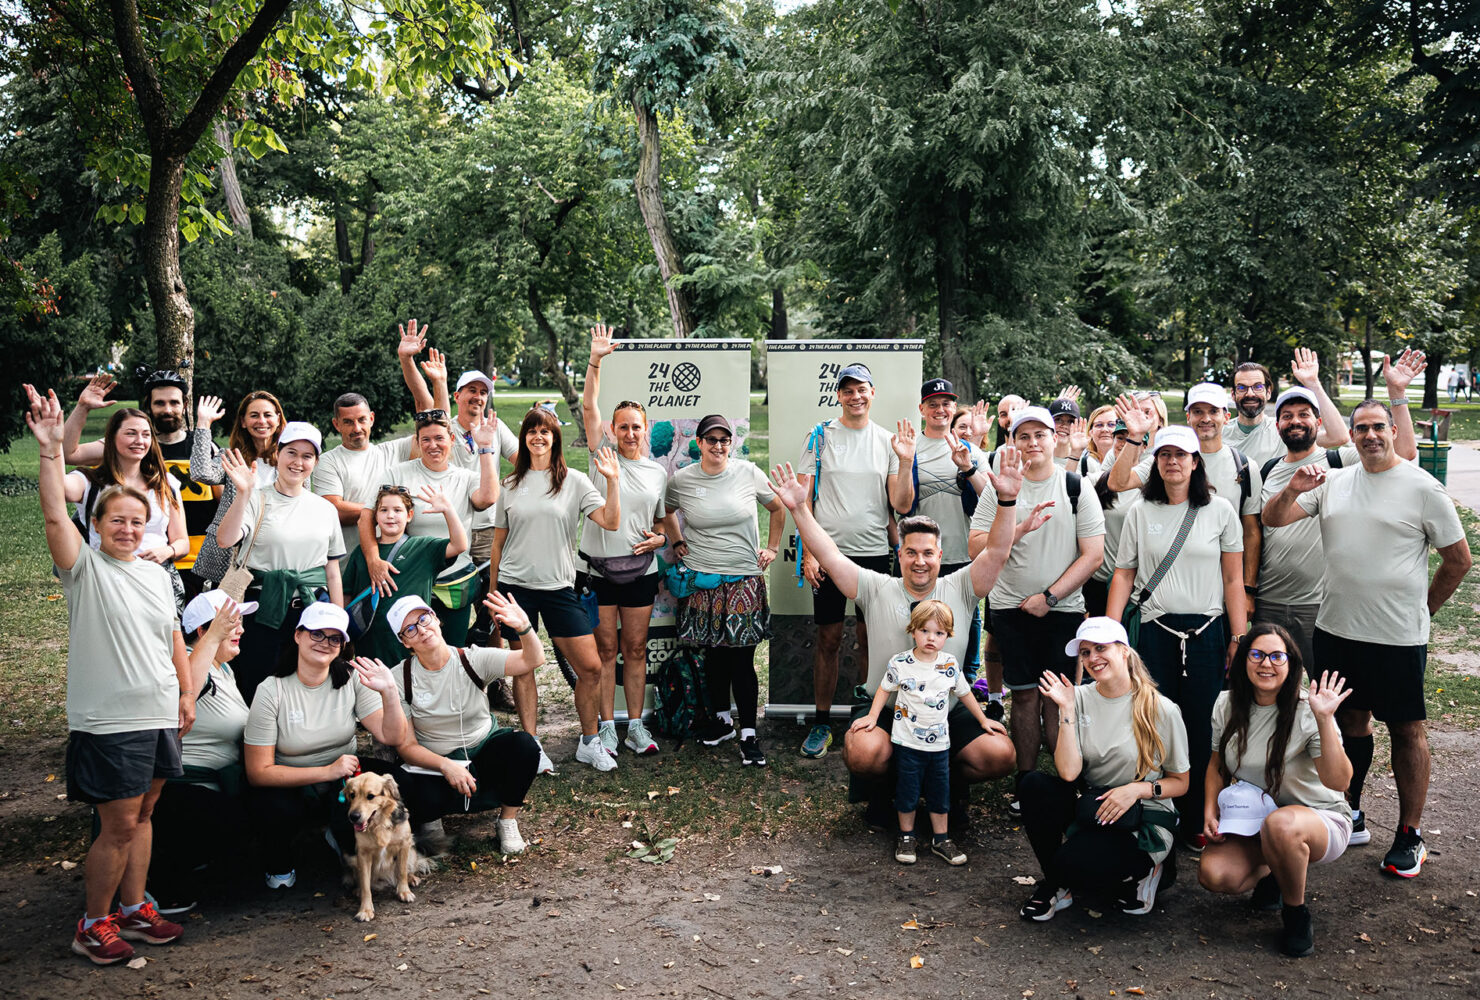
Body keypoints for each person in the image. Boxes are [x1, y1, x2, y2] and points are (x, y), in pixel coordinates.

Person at [1262, 398, 1471, 878]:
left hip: (1396, 637)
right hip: (1336, 630)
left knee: (1406, 729)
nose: (1371, 435)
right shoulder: (1333, 481)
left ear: (1394, 431)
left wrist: (1424, 610)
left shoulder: (1422, 487)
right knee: (1350, 722)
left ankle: (1409, 834)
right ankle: (1350, 810)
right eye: (1362, 428)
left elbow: (1459, 559)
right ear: (1350, 435)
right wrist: (1291, 490)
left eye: (1379, 426)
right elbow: (1273, 519)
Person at [770, 456, 1028, 830]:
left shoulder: (962, 586)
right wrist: (798, 509)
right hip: (888, 709)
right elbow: (828, 553)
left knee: (999, 754)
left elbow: (998, 551)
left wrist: (1007, 501)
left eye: (928, 553)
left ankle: (946, 789)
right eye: (911, 552)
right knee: (863, 752)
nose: (920, 561)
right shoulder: (876, 587)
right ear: (900, 554)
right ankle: (886, 793)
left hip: (944, 711)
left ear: (940, 555)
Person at [24, 386, 191, 964]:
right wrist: (50, 449)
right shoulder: (83, 568)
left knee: (143, 816)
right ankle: (93, 924)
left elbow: (172, 639)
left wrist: (186, 693)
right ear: (95, 524)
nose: (127, 529)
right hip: (111, 720)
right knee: (117, 825)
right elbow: (53, 512)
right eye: (116, 520)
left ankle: (134, 908)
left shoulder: (154, 574)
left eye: (136, 521)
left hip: (159, 711)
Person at [1106, 424, 1247, 849]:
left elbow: (1233, 578)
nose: (1172, 462)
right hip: (1155, 631)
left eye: (1181, 455)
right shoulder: (1140, 510)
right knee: (1155, 721)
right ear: (1156, 462)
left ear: (1195, 462)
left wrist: (1238, 636)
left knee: (1202, 725)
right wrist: (1111, 634)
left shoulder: (1220, 510)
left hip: (1206, 633)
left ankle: (1198, 815)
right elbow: (1124, 573)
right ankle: (1158, 812)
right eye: (1165, 454)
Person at [969, 405, 1105, 807]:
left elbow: (1093, 555)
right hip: (1009, 608)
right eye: (1023, 436)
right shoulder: (1000, 488)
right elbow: (977, 547)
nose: (1032, 443)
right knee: (1025, 696)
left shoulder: (1075, 487)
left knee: (1058, 697)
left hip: (1061, 609)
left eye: (1040, 435)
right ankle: (1026, 783)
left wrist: (1050, 597)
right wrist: (1018, 528)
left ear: (1054, 438)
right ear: (1012, 442)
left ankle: (1066, 782)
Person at [1197, 625, 1354, 958]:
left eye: (1276, 656)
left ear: (1291, 663)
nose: (1265, 663)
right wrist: (1210, 810)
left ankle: (1295, 913)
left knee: (1281, 825)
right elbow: (1216, 765)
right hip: (1256, 819)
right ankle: (1278, 869)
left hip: (1318, 817)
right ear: (1243, 660)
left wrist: (1325, 720)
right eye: (1256, 654)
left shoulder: (1308, 710)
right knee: (1215, 874)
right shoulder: (1226, 704)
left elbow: (1339, 782)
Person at [1021, 617, 1190, 920]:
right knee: (1033, 785)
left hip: (1143, 814)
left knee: (1079, 867)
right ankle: (1057, 884)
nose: (1092, 658)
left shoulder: (1161, 709)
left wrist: (1135, 790)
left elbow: (1181, 782)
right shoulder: (1077, 698)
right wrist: (1066, 710)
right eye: (1085, 652)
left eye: (1101, 648)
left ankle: (1149, 870)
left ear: (1124, 650)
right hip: (1096, 806)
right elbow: (1068, 773)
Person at [491, 407, 622, 772]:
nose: (538, 437)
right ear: (524, 438)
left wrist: (613, 482)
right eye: (531, 431)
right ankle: (532, 746)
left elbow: (611, 522)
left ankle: (589, 742)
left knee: (591, 668)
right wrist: (494, 594)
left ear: (555, 438)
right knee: (524, 667)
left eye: (545, 431)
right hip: (515, 589)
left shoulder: (574, 481)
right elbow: (498, 545)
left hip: (560, 587)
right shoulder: (509, 485)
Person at [243, 603, 407, 889]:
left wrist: (390, 691)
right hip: (291, 780)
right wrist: (328, 770)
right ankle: (279, 861)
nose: (325, 643)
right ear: (298, 635)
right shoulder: (272, 689)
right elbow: (258, 772)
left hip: (344, 779)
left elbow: (391, 736)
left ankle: (344, 834)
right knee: (274, 808)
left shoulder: (351, 678)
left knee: (403, 783)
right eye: (317, 634)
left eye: (334, 638)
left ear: (342, 646)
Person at [797, 363, 915, 759]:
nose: (855, 396)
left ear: (872, 393)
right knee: (828, 639)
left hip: (873, 555)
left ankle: (868, 718)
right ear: (839, 396)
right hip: (829, 556)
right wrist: (809, 553)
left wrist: (904, 461)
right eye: (847, 390)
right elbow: (803, 499)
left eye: (861, 389)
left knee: (871, 640)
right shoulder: (820, 436)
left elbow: (901, 505)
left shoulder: (886, 441)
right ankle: (821, 723)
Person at [582, 325, 681, 756]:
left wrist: (659, 540)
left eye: (636, 427)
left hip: (641, 573)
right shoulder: (600, 457)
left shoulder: (658, 472)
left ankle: (636, 727)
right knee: (606, 650)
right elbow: (589, 405)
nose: (630, 433)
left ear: (645, 429)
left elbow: (660, 523)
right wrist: (596, 360)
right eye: (622, 427)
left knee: (636, 648)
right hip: (599, 571)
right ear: (612, 430)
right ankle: (607, 727)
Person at [666, 415, 786, 765]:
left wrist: (772, 548)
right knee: (714, 656)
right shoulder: (683, 479)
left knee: (742, 660)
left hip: (743, 580)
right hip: (703, 581)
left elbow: (777, 507)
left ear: (730, 443)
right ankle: (722, 722)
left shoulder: (748, 472)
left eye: (724, 440)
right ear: (699, 443)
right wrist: (676, 540)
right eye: (711, 439)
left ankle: (748, 733)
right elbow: (666, 511)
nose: (718, 446)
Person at [386, 593, 543, 855]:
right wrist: (445, 765)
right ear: (404, 642)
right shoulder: (399, 678)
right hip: (434, 763)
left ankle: (507, 820)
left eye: (423, 619)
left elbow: (532, 660)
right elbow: (407, 746)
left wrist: (524, 627)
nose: (421, 630)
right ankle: (431, 821)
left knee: (524, 746)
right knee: (408, 782)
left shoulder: (472, 658)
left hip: (481, 750)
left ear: (436, 619)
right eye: (410, 629)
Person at [852, 600, 994, 866]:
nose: (931, 638)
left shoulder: (949, 664)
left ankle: (942, 839)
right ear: (913, 630)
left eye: (939, 633)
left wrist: (983, 720)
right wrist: (872, 716)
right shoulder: (901, 663)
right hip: (907, 743)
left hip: (939, 746)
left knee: (940, 792)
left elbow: (965, 694)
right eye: (925, 631)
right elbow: (884, 689)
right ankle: (906, 836)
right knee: (907, 790)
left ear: (947, 635)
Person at [215, 422, 345, 705]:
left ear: (315, 462)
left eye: (307, 456)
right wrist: (242, 494)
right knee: (258, 682)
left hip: (310, 609)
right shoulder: (256, 499)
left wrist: (338, 620)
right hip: (262, 608)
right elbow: (225, 540)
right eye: (291, 453)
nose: (298, 462)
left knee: (306, 686)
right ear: (278, 454)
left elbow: (332, 570)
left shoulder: (325, 509)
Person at [62, 369, 219, 599]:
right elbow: (68, 453)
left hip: (194, 560)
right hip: (132, 563)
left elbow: (222, 503)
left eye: (174, 403)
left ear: (184, 406)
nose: (167, 409)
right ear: (149, 406)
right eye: (160, 403)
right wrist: (82, 408)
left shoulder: (204, 447)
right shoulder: (128, 444)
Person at [148, 590, 256, 913]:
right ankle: (158, 879)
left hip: (215, 785)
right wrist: (212, 639)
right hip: (180, 790)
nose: (241, 630)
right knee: (245, 823)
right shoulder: (192, 664)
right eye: (231, 624)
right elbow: (185, 694)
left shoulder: (224, 669)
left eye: (240, 622)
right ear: (202, 631)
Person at [1109, 383, 1262, 603]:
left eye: (1213, 411)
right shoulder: (1169, 461)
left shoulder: (1244, 467)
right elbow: (1117, 483)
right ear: (1188, 417)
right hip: (1170, 587)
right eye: (1198, 411)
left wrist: (1247, 588)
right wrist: (1134, 436)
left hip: (1224, 588)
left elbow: (1251, 531)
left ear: (1226, 417)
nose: (1206, 418)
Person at [362, 411, 499, 647]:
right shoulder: (398, 474)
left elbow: (487, 498)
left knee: (452, 650)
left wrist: (485, 447)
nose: (432, 445)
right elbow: (366, 518)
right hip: (411, 579)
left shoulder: (465, 477)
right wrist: (373, 560)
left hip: (454, 582)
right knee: (411, 649)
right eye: (425, 439)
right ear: (417, 441)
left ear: (452, 439)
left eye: (439, 438)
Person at [60, 404, 188, 613]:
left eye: (146, 434)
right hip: (107, 581)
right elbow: (56, 486)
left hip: (156, 582)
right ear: (111, 438)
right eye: (131, 433)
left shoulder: (165, 484)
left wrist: (167, 551)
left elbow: (182, 542)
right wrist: (82, 408)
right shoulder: (90, 481)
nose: (139, 441)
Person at [342, 485, 469, 666]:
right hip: (370, 642)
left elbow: (459, 545)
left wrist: (448, 510)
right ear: (376, 516)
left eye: (397, 510)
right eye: (383, 510)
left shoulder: (423, 548)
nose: (390, 515)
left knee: (410, 680)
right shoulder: (362, 553)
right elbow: (346, 593)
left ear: (409, 515)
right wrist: (344, 632)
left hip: (412, 642)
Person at [191, 391, 285, 586]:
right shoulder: (231, 457)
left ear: (278, 419)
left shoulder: (291, 460)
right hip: (230, 551)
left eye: (267, 415)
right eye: (254, 415)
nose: (262, 421)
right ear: (243, 422)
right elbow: (201, 473)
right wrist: (203, 425)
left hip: (274, 550)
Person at [313, 392, 415, 557]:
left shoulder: (393, 451)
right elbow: (334, 510)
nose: (357, 428)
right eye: (348, 422)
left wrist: (438, 383)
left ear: (371, 418)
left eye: (362, 419)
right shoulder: (328, 461)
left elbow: (434, 428)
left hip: (392, 561)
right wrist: (388, 509)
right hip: (347, 564)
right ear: (336, 424)